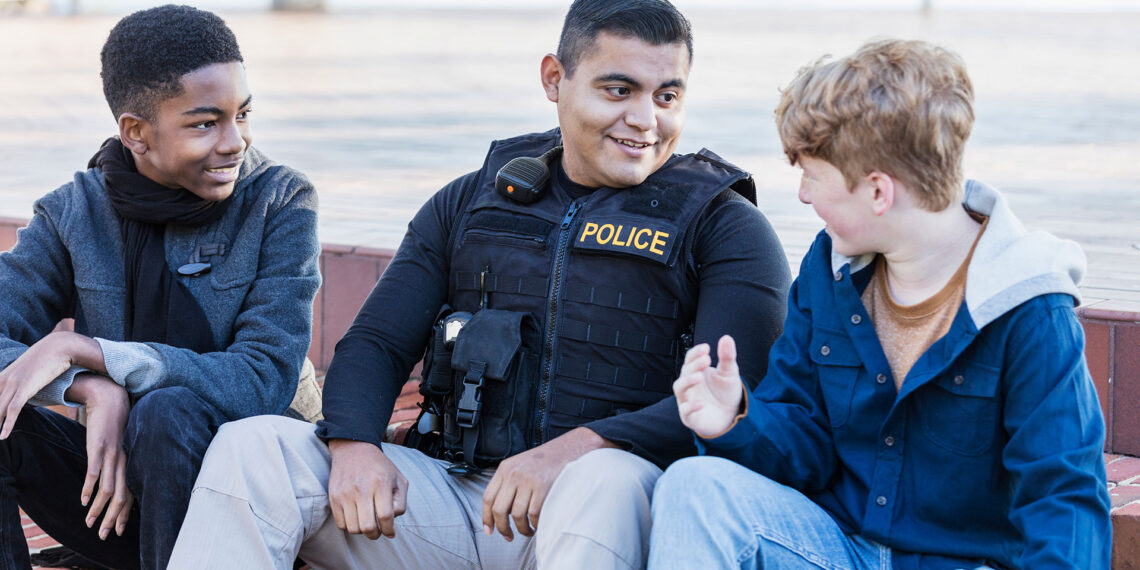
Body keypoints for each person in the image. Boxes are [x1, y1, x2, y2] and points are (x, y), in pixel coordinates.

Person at [168, 0, 791, 568]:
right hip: (458, 498)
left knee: (604, 478)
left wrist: (575, 450)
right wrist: (355, 445)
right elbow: (376, 344)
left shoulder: (726, 226)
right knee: (254, 448)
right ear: (555, 79)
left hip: (609, 515)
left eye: (667, 96)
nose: (643, 121)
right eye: (618, 89)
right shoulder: (472, 201)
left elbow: (737, 397)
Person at [651, 38, 1111, 569]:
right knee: (693, 486)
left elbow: (1065, 500)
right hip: (835, 547)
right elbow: (807, 444)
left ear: (877, 193)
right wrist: (736, 419)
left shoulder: (1030, 311)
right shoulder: (828, 272)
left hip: (961, 562)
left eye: (812, 175)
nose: (803, 195)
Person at [0, 5, 321, 569]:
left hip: (252, 500)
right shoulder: (73, 211)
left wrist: (95, 352)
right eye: (205, 123)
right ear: (136, 133)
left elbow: (264, 378)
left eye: (242, 114)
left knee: (167, 411)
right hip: (116, 492)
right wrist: (91, 387)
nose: (234, 142)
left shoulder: (281, 201)